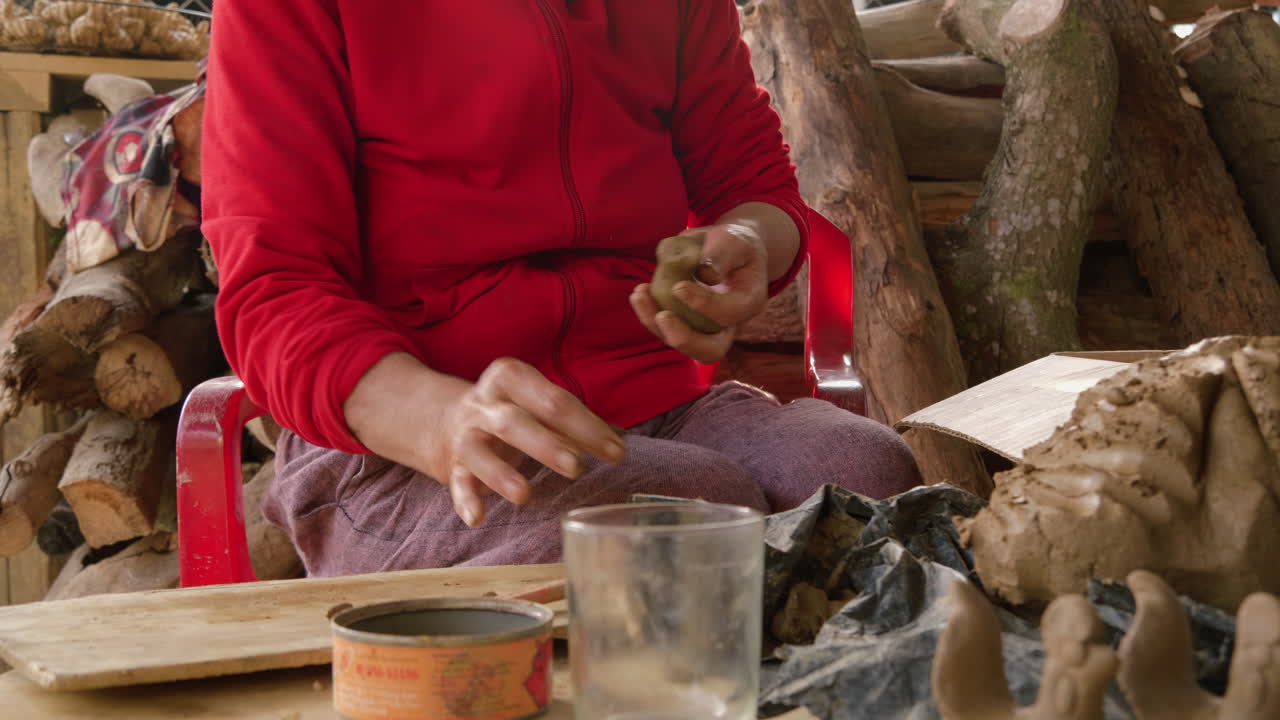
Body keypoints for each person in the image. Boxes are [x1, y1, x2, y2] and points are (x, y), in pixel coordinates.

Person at [202, 0, 921, 576]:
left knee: (863, 476)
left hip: (655, 404)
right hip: (398, 450)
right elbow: (274, 289)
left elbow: (755, 183)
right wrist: (438, 419)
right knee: (682, 518)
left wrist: (748, 244)